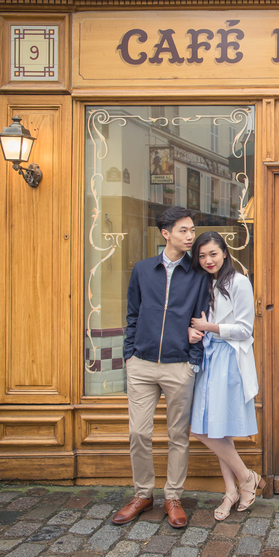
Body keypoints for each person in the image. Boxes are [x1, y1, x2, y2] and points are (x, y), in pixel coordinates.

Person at [112, 207, 209, 529]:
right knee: (138, 432)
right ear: (166, 233)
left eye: (192, 230)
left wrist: (192, 361)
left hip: (178, 365)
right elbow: (133, 314)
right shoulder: (142, 270)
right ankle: (142, 494)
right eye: (184, 230)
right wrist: (130, 355)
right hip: (141, 364)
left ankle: (173, 497)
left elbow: (200, 319)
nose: (190, 236)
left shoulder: (197, 274)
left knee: (177, 435)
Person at [187, 231, 264, 521]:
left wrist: (210, 328)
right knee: (211, 428)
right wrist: (195, 331)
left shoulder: (239, 283)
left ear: (225, 253)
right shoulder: (204, 283)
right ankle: (233, 488)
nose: (208, 260)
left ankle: (245, 480)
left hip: (229, 359)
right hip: (207, 358)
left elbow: (246, 329)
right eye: (202, 255)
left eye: (213, 254)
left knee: (208, 429)